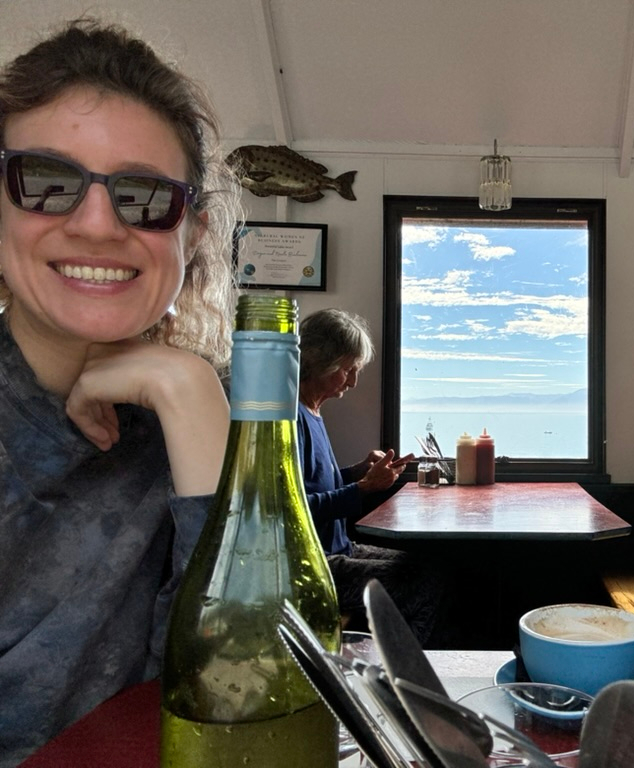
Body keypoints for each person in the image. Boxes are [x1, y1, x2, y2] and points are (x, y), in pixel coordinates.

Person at [0, 19, 241, 765]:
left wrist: (190, 390)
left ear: (192, 232)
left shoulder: (203, 416)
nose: (99, 223)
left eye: (145, 196)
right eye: (46, 181)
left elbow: (248, 696)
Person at [297, 308, 449, 645]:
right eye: (348, 370)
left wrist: (358, 471)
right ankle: (401, 673)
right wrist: (363, 489)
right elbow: (291, 508)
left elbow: (315, 481)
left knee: (429, 568)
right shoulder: (291, 419)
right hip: (314, 566)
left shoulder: (312, 412)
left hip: (340, 549)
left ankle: (388, 658)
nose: (352, 382)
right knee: (422, 582)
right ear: (319, 360)